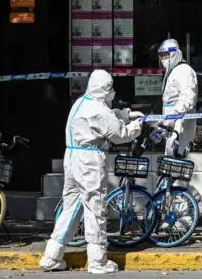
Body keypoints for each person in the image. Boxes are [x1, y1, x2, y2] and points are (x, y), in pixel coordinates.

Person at [39, 69, 144, 273]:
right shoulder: (98, 109)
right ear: (104, 88)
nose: (112, 92)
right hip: (89, 161)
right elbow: (119, 133)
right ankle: (97, 261)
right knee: (95, 209)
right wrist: (136, 127)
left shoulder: (81, 102)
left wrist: (125, 114)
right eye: (110, 88)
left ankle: (52, 256)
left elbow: (106, 118)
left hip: (72, 158)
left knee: (71, 208)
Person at [158, 38, 202, 218]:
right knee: (175, 172)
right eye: (161, 56)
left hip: (179, 127)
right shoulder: (174, 71)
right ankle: (198, 203)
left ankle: (182, 218)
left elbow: (187, 97)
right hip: (173, 126)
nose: (163, 59)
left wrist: (173, 118)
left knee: (176, 172)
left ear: (175, 53)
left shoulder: (183, 70)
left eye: (166, 55)